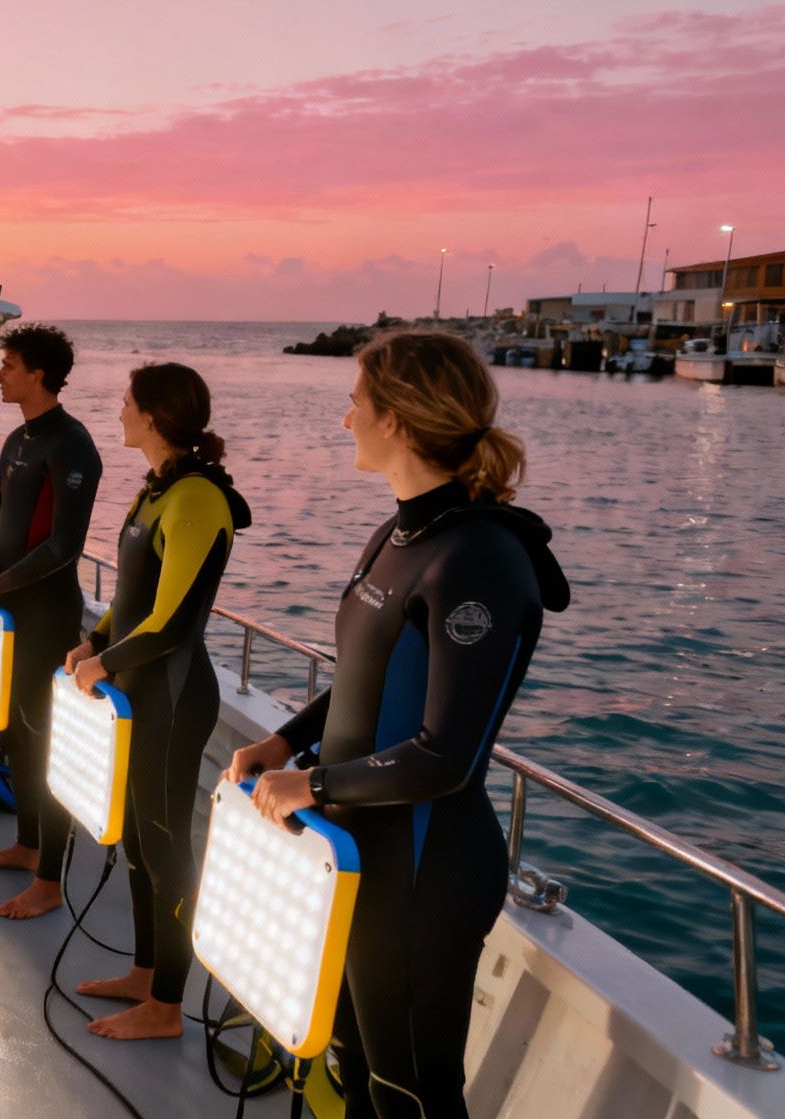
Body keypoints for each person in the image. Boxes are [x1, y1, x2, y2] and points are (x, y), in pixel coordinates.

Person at [226, 331, 569, 1119]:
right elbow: (363, 679)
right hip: (356, 854)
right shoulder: (402, 532)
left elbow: (445, 756)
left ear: (401, 422)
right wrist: (288, 741)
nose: (346, 421)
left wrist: (309, 782)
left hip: (424, 870)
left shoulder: (477, 556)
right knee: (356, 1068)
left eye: (357, 404)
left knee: (409, 1093)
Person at [64, 363, 251, 1040]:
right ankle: (145, 973)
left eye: (124, 402)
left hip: (171, 695)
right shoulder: (156, 490)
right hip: (136, 691)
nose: (117, 412)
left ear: (151, 415)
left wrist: (107, 660)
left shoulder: (197, 497)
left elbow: (172, 622)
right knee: (141, 840)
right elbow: (133, 599)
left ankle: (167, 1008)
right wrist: (96, 645)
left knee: (169, 848)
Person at [0, 323, 103, 919]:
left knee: (44, 740)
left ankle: (49, 879)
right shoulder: (18, 440)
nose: (0, 373)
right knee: (13, 729)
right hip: (4, 607)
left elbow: (65, 545)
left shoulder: (72, 444)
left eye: (9, 364)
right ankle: (26, 843)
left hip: (44, 612)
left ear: (39, 373)